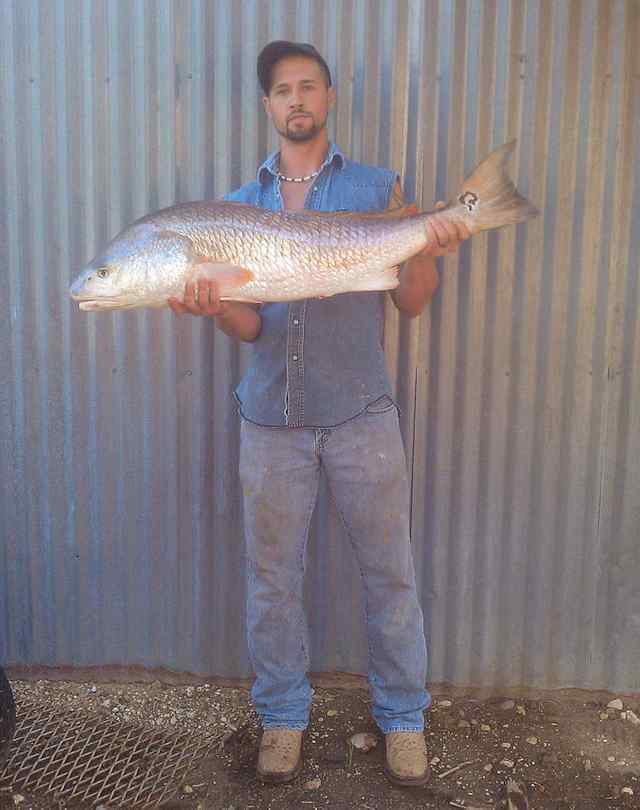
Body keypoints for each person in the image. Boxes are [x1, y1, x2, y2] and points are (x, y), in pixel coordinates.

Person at [169, 41, 470, 787]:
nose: (295, 100)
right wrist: (214, 306)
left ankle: (402, 718)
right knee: (272, 580)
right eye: (281, 90)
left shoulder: (376, 186)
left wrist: (427, 243)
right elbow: (250, 328)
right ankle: (281, 719)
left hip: (361, 413)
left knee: (389, 573)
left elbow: (410, 299)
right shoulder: (237, 208)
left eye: (308, 86)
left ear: (329, 97)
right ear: (268, 106)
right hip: (270, 418)